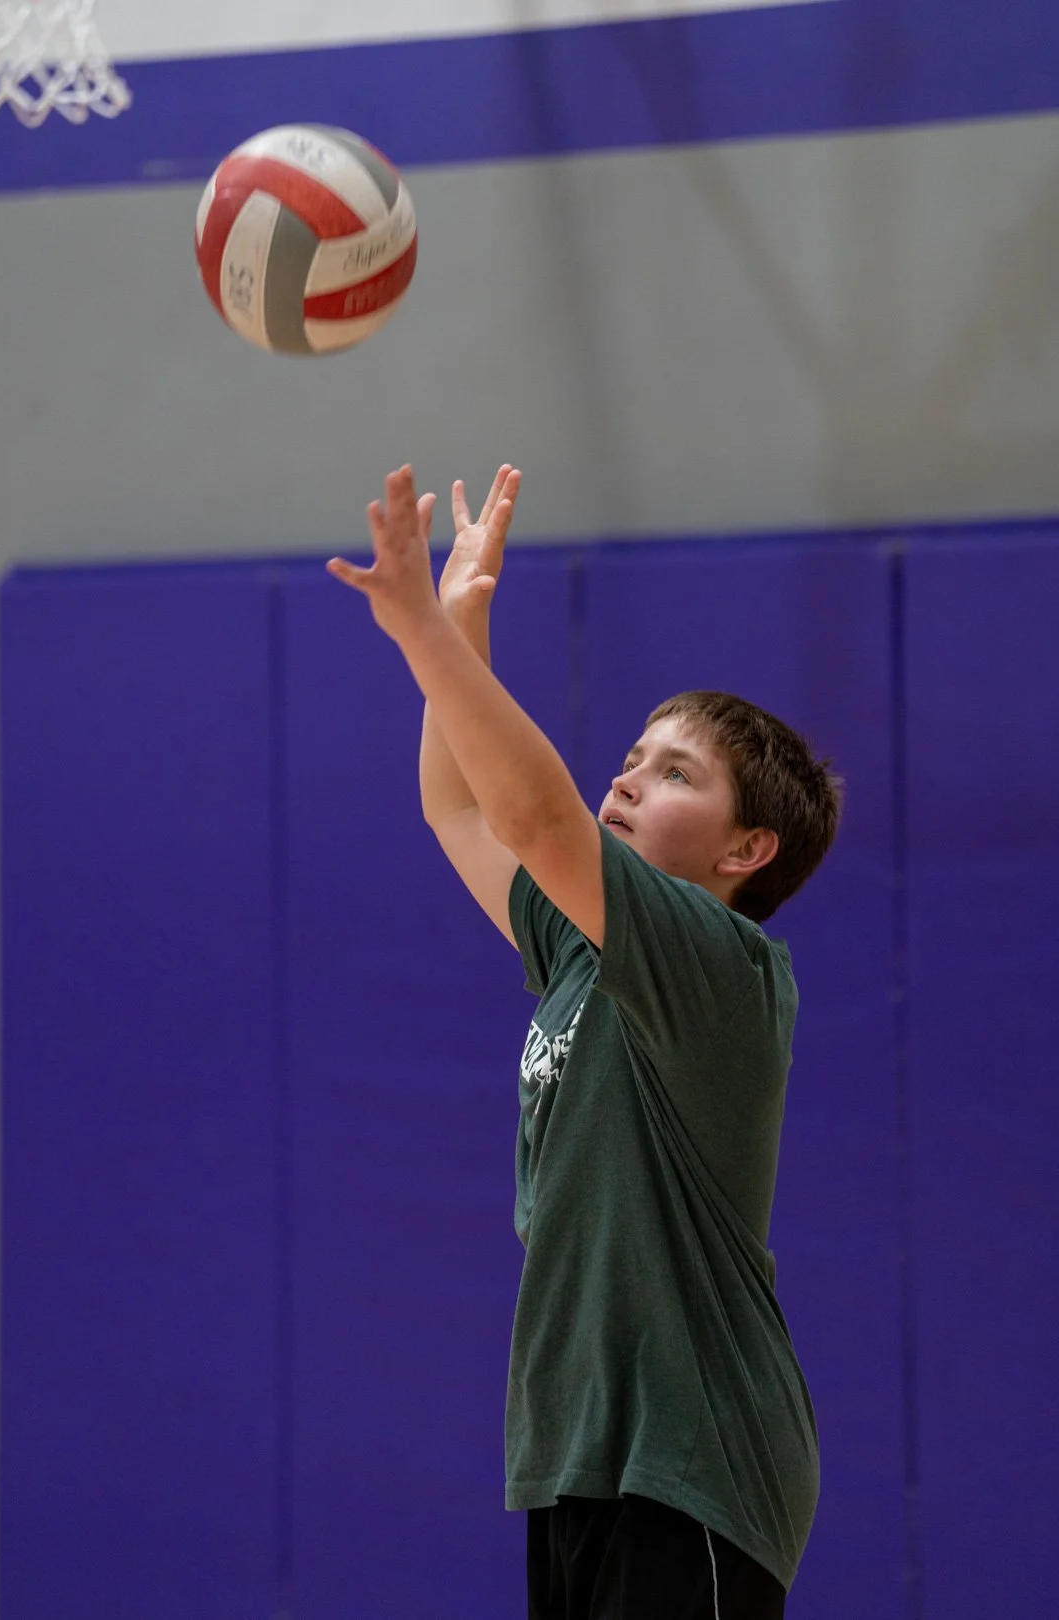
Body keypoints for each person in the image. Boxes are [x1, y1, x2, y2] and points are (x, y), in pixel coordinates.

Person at [326, 464, 843, 1620]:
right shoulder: (576, 951)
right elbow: (459, 809)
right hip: (578, 1454)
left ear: (744, 851)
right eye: (637, 751)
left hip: (693, 1458)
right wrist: (457, 617)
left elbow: (534, 813)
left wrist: (426, 640)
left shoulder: (723, 966)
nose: (630, 773)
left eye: (675, 772)